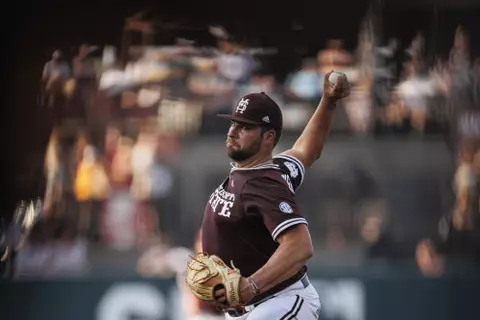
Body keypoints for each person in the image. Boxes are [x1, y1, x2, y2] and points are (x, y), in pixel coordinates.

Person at [198, 71, 350, 319]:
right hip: (248, 309)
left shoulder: (263, 185)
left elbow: (300, 245)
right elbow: (305, 150)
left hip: (280, 301)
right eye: (233, 123)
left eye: (245, 127)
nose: (233, 131)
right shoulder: (273, 169)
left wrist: (252, 285)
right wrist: (329, 101)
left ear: (268, 137)